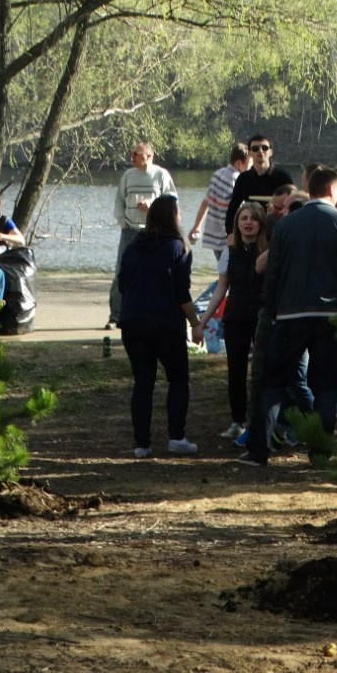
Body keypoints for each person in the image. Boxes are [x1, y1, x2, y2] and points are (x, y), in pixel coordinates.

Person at [238, 165, 337, 467]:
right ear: (334, 191)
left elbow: (274, 273)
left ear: (310, 191)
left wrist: (273, 310)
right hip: (330, 316)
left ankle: (258, 451)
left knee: (272, 383)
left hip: (290, 315)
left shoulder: (286, 225)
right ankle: (320, 452)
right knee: (326, 387)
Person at [117, 194, 200, 459]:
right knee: (177, 379)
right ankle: (176, 437)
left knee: (143, 382)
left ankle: (142, 444)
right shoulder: (178, 247)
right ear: (173, 216)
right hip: (165, 322)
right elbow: (182, 293)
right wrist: (196, 324)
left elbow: (122, 284)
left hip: (132, 321)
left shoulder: (133, 246)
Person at [194, 202, 268, 439]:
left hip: (263, 316)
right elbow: (220, 290)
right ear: (237, 223)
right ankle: (238, 421)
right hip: (236, 316)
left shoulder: (269, 252)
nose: (248, 223)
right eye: (243, 218)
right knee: (236, 371)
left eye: (253, 219)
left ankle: (263, 420)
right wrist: (202, 321)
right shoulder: (229, 252)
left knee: (263, 370)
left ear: (261, 223)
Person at [108, 142, 177, 328]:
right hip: (130, 230)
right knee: (121, 272)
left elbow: (172, 200)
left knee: (156, 272)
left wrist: (152, 205)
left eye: (136, 153)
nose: (132, 156)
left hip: (154, 232)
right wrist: (122, 221)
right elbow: (118, 201)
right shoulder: (128, 176)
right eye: (131, 153)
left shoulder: (160, 175)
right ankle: (116, 316)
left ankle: (155, 313)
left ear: (148, 156)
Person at [189, 142, 248, 259]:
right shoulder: (238, 179)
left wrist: (196, 226)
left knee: (223, 269)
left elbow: (206, 202)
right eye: (249, 165)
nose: (250, 168)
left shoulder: (217, 174)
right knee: (233, 271)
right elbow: (239, 209)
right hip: (229, 236)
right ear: (239, 163)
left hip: (214, 238)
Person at [225, 133, 294, 231]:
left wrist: (277, 209)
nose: (260, 151)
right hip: (251, 230)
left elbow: (293, 208)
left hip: (277, 229)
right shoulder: (243, 178)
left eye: (265, 148)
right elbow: (233, 208)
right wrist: (230, 233)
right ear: (249, 153)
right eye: (255, 148)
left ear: (271, 152)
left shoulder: (283, 177)